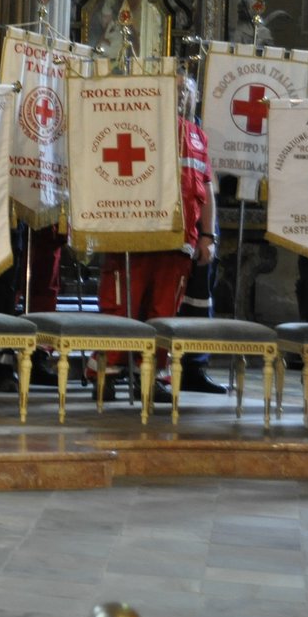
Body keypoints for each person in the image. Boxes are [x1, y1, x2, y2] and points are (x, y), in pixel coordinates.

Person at [97, 74, 222, 399]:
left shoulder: (197, 136)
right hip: (135, 235)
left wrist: (208, 235)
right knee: (121, 305)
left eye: (186, 91)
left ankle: (149, 377)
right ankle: (107, 374)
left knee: (163, 311)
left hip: (179, 240)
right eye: (175, 89)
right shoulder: (136, 124)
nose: (181, 96)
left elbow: (207, 189)